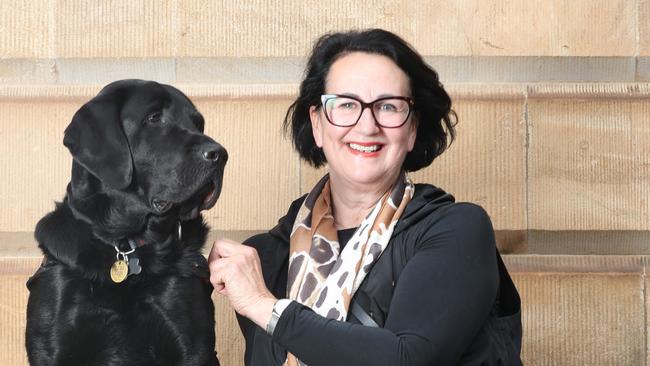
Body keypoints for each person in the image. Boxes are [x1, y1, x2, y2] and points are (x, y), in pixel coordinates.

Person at [209, 28, 523, 366]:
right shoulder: (268, 258)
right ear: (317, 124)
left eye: (388, 106)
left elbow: (407, 359)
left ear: (412, 129)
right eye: (346, 104)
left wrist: (264, 306)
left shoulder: (456, 231)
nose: (367, 125)